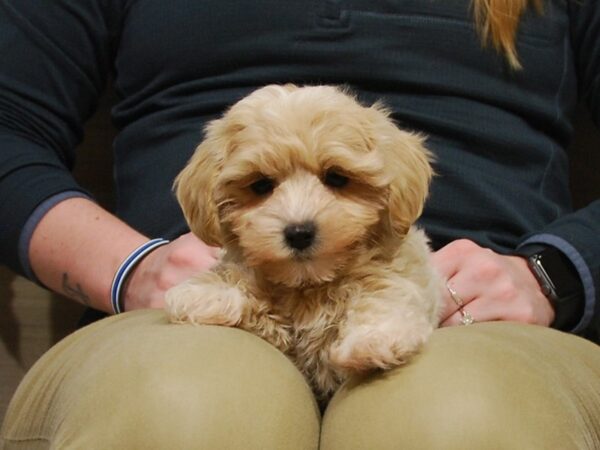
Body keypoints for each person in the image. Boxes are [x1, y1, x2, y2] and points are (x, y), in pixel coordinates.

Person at [1, 0, 599, 448]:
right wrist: (131, 268)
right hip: (182, 305)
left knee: (455, 419)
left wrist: (556, 271)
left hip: (479, 316)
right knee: (183, 407)